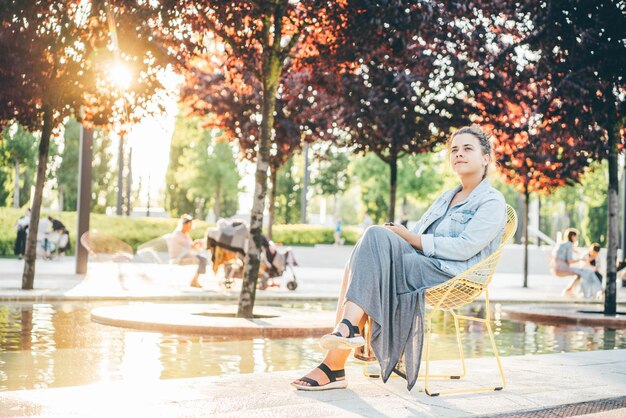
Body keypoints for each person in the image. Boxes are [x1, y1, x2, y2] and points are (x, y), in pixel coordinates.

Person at [292, 125, 507, 391]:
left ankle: (337, 354)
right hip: (420, 265)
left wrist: (410, 239)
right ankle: (343, 340)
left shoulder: (492, 201)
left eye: (467, 149)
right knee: (366, 248)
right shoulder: (446, 197)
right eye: (454, 150)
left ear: (485, 157)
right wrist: (400, 236)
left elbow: (464, 247)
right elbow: (414, 234)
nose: (458, 154)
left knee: (371, 253)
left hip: (452, 273)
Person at [552, 228, 602, 299]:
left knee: (579, 275)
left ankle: (569, 290)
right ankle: (593, 292)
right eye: (576, 237)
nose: (577, 238)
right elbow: (570, 261)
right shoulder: (569, 245)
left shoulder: (564, 243)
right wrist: (581, 259)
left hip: (556, 266)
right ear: (572, 237)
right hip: (562, 267)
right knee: (587, 273)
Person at [168, 214, 208, 288]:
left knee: (203, 259)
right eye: (189, 226)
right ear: (184, 225)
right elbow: (189, 247)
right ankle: (194, 281)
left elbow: (190, 247)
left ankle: (194, 280)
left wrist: (198, 243)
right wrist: (195, 244)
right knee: (203, 259)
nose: (190, 228)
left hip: (184, 255)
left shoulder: (185, 234)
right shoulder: (178, 234)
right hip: (179, 258)